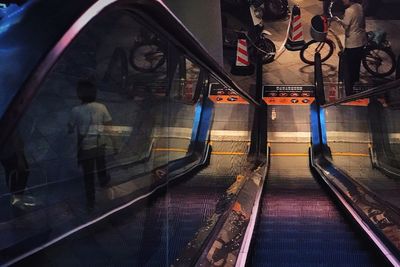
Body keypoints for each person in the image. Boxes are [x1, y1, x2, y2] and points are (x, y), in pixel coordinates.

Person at [68, 80, 116, 210]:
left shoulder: (75, 110)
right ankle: (105, 189)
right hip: (100, 144)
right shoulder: (101, 107)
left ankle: (90, 202)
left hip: (86, 148)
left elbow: (70, 129)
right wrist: (115, 144)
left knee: (88, 175)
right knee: (101, 167)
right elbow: (109, 127)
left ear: (79, 94)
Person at [334, 0, 367, 96]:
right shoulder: (359, 6)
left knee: (349, 67)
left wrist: (339, 21)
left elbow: (346, 26)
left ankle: (350, 90)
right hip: (361, 39)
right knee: (356, 64)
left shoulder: (349, 11)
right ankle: (355, 81)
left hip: (352, 42)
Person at [0, 130, 35, 209]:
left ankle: (16, 197)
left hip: (5, 153)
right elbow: (15, 137)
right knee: (21, 172)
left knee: (11, 172)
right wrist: (20, 157)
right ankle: (17, 199)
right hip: (10, 152)